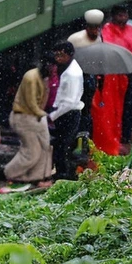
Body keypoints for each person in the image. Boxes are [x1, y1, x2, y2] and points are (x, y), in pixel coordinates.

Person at [3, 54, 54, 184]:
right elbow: (31, 102)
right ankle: (10, 173)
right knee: (32, 151)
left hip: (37, 116)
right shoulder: (31, 77)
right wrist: (43, 115)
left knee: (45, 147)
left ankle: (37, 177)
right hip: (24, 116)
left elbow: (44, 98)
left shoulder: (45, 78)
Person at [102, 6, 132, 147]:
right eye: (119, 15)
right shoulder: (107, 30)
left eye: (124, 14)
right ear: (113, 17)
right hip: (113, 73)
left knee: (130, 106)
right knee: (113, 106)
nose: (123, 18)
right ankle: (113, 136)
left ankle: (125, 136)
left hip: (131, 72)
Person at [48, 41, 83, 179]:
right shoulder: (66, 69)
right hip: (64, 112)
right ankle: (62, 173)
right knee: (61, 145)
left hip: (69, 113)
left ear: (69, 55)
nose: (58, 58)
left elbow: (69, 102)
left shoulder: (72, 74)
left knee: (63, 146)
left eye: (61, 55)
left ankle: (64, 175)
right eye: (56, 55)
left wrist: (52, 115)